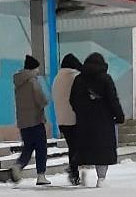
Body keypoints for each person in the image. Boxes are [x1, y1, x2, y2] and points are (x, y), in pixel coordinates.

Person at [69, 52, 125, 187]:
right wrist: (119, 116)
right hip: (103, 121)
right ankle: (101, 178)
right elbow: (113, 99)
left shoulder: (78, 80)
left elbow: (72, 100)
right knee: (102, 150)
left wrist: (81, 111)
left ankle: (83, 173)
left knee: (83, 148)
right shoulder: (105, 79)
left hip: (84, 121)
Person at [8, 54, 51, 185]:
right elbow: (41, 100)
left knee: (28, 147)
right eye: (37, 68)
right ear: (32, 69)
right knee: (41, 148)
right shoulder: (33, 82)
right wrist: (46, 101)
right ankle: (41, 175)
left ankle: (18, 165)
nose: (38, 71)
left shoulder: (19, 82)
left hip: (23, 121)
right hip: (36, 120)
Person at [51, 53, 83, 185]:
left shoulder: (57, 78)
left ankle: (74, 172)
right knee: (78, 146)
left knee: (73, 146)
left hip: (61, 119)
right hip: (74, 118)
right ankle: (74, 168)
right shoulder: (75, 77)